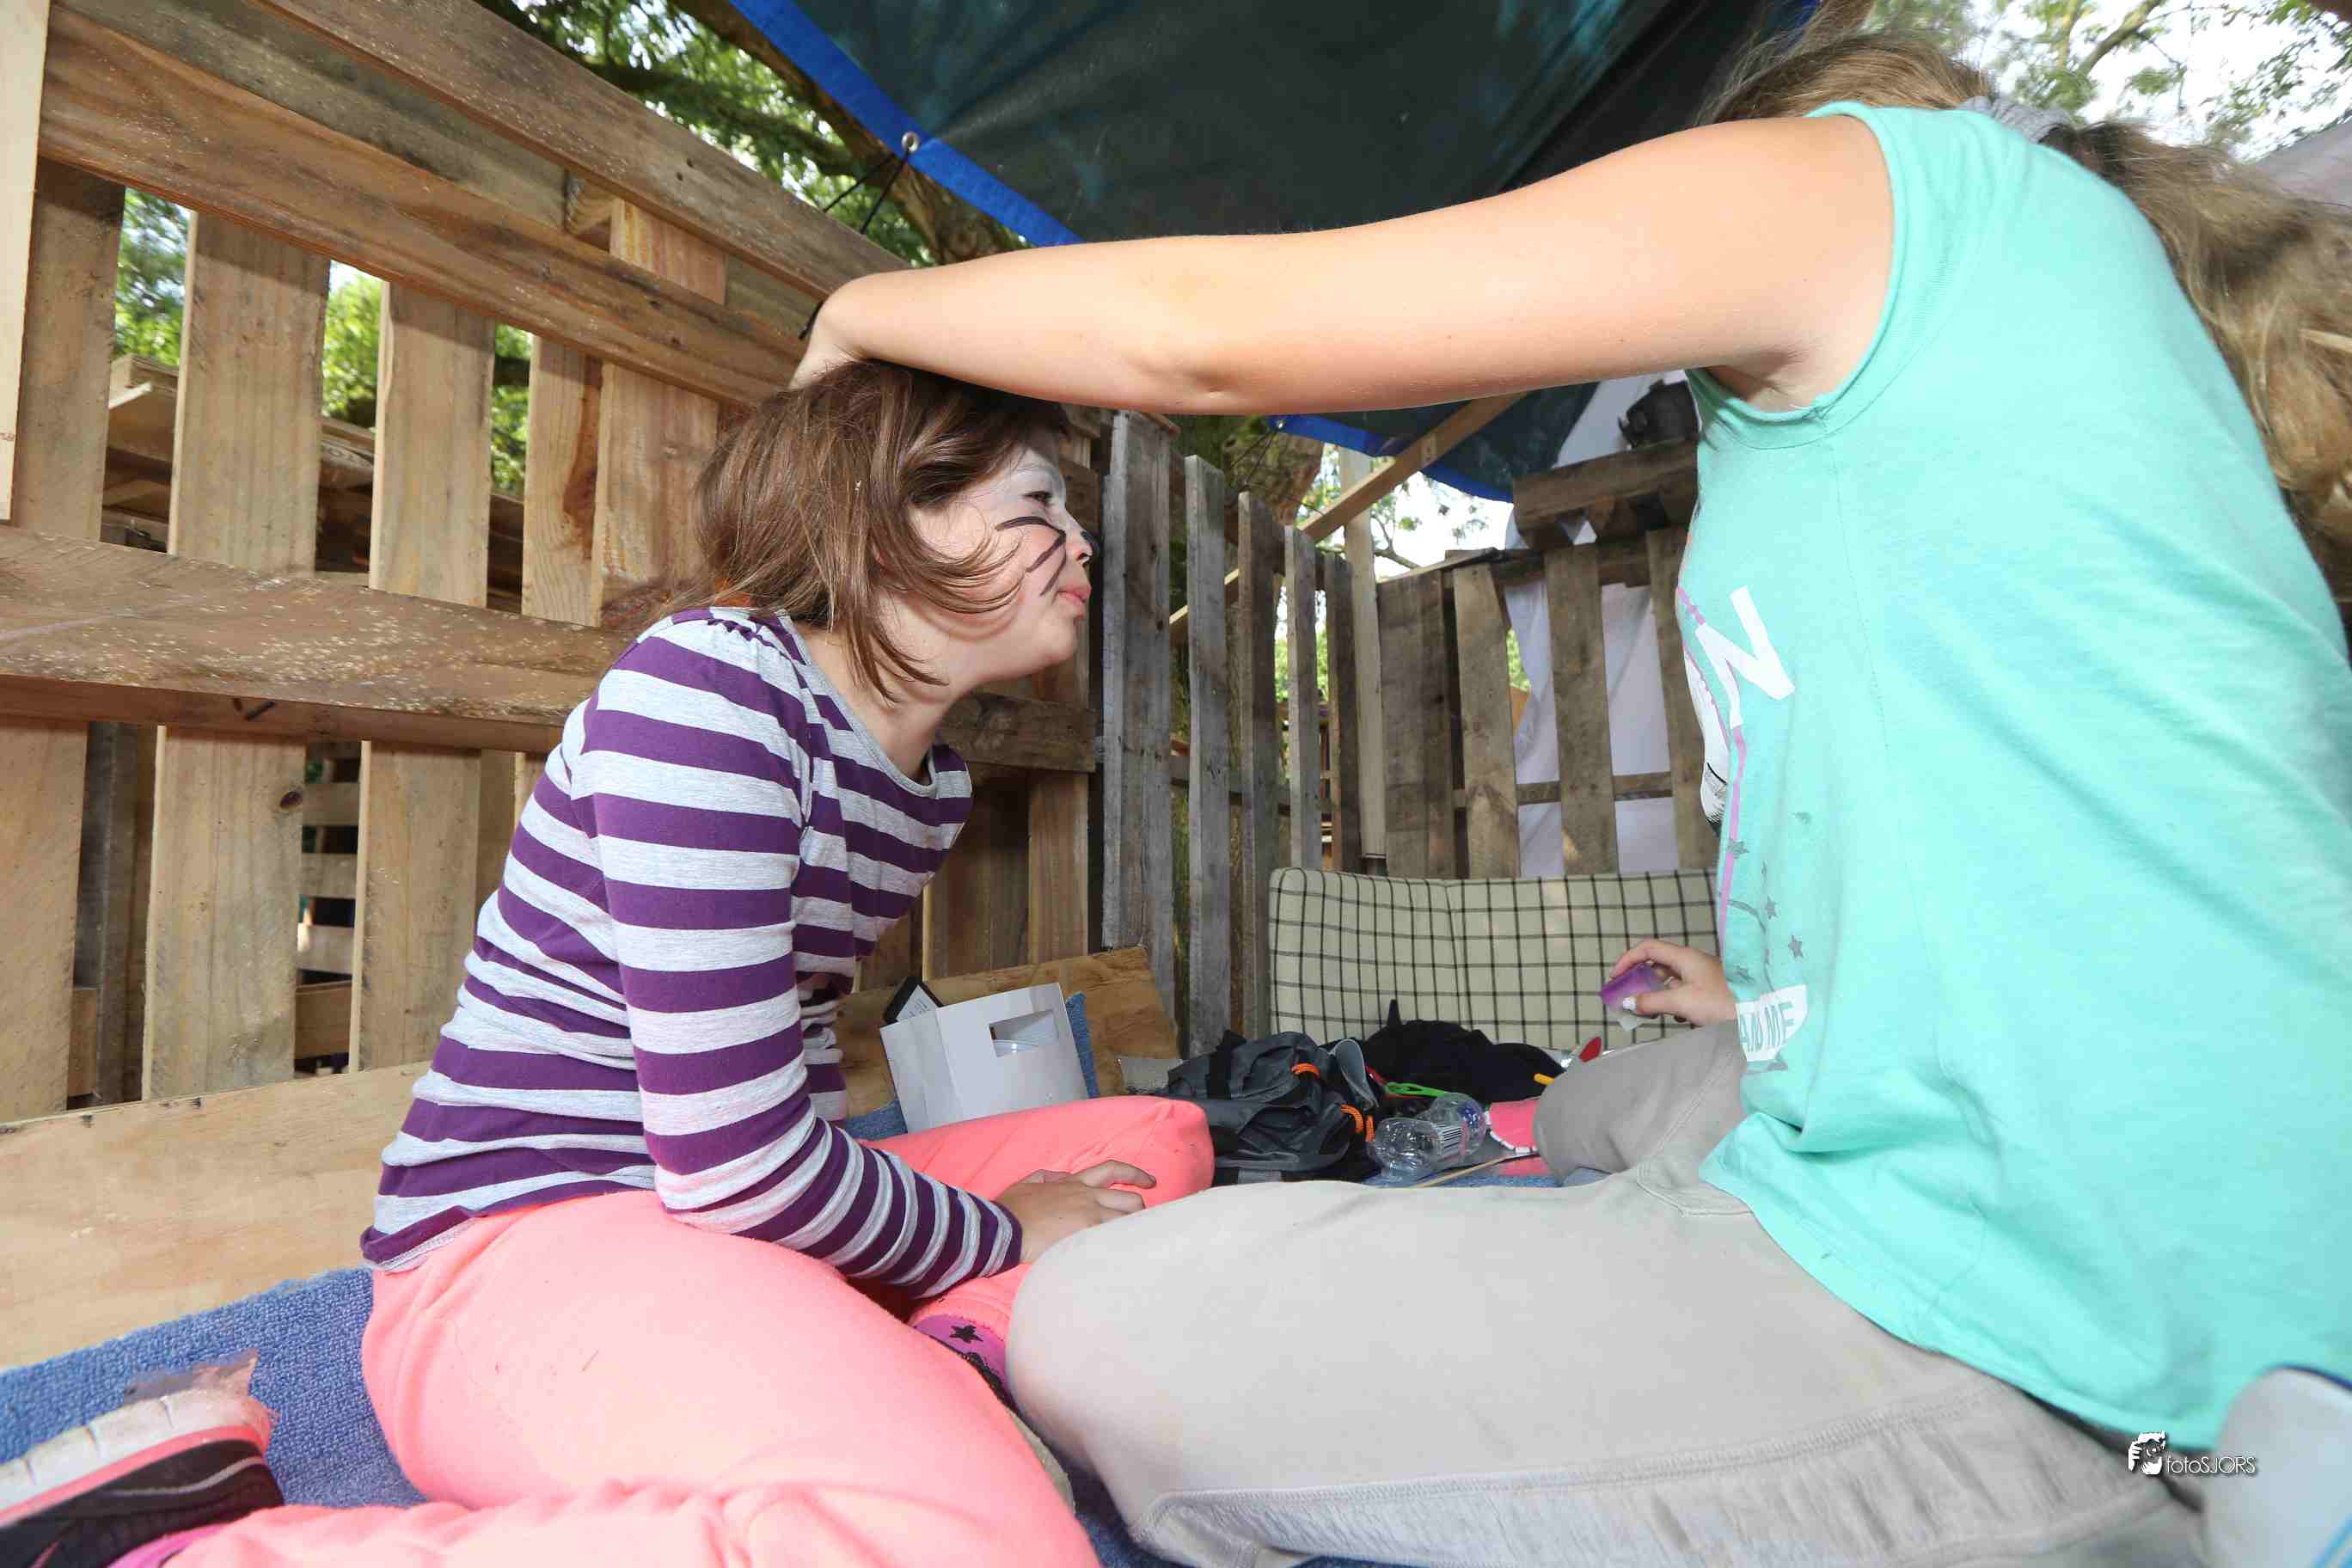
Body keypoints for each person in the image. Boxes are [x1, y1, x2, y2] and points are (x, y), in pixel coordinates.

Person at [787, 5, 2350, 1565]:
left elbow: (1201, 334)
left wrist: (866, 309)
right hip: (1986, 1127)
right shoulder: (2031, 344)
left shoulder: (1875, 186)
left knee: (1098, 1319)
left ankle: (2179, 1469)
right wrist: (1775, 1003)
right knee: (1594, 1099)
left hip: (2076, 1320)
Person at [0, 364, 1215, 1568]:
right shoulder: (712, 691)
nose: (1080, 543)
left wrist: (946, 1241)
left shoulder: (926, 786)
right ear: (878, 520)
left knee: (1156, 1140)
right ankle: (171, 1554)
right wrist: (994, 1234)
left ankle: (931, 1379)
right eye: (1038, 504)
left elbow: (782, 1072)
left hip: (727, 1222)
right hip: (523, 1252)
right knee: (984, 1539)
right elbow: (741, 1164)